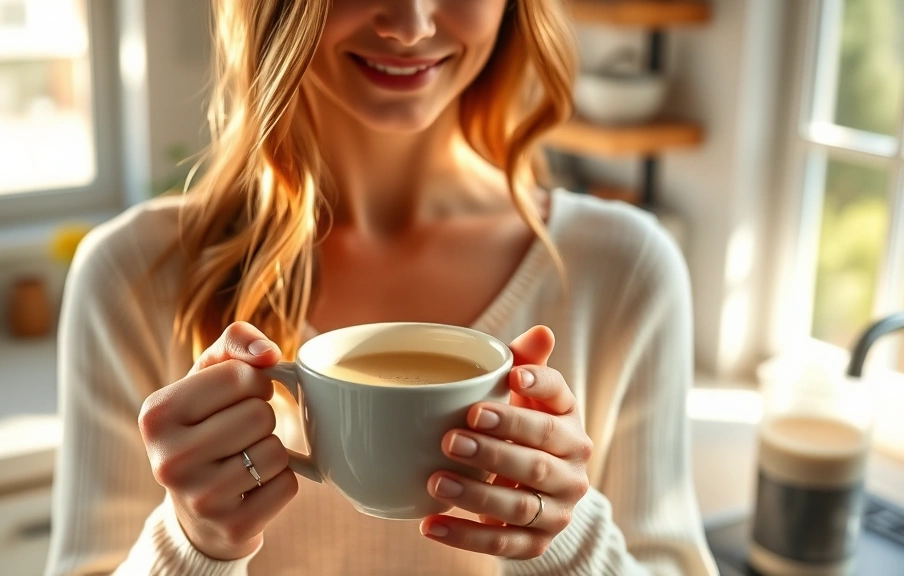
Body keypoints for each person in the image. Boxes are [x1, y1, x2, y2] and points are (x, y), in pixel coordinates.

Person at [46, 0, 719, 574]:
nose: (411, 22)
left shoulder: (625, 269)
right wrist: (191, 542)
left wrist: (565, 538)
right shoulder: (130, 275)